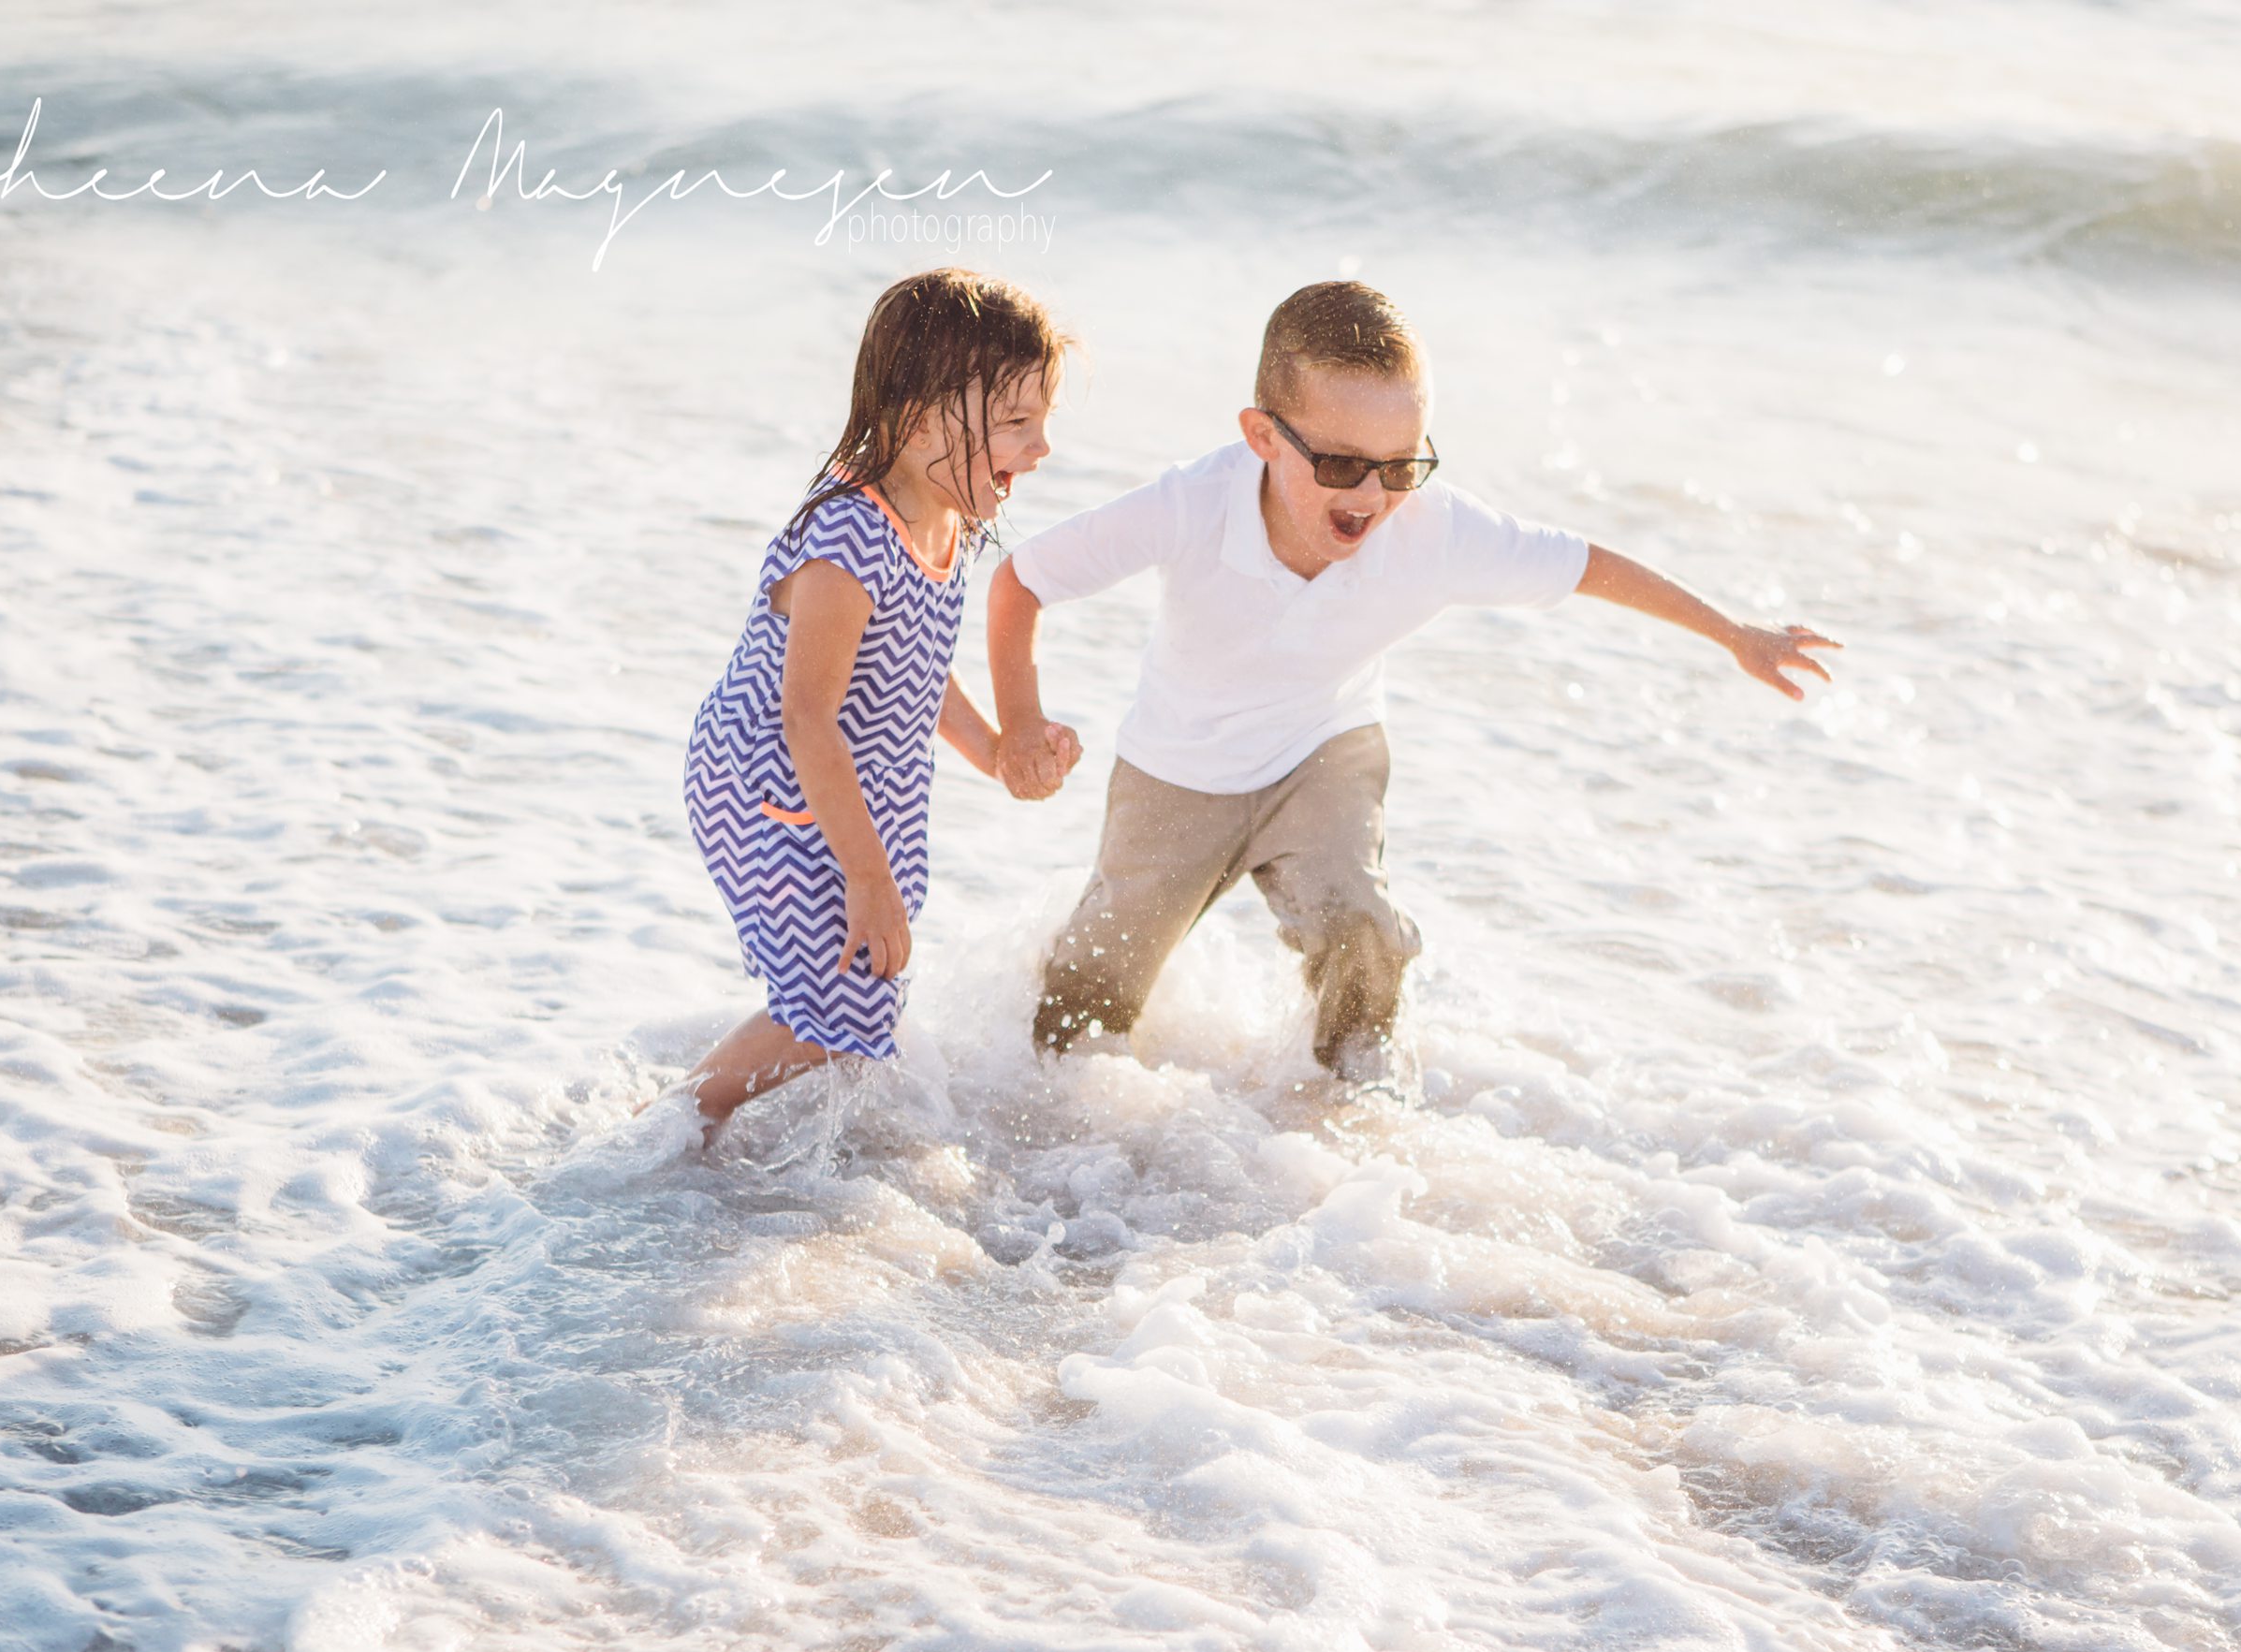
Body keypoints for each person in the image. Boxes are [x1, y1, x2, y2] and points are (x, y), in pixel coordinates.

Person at [989, 279, 1838, 1085]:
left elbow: (1586, 565)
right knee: (1083, 1007)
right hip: (1179, 767)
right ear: (1261, 437)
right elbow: (1021, 581)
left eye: (1401, 466)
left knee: (1362, 934)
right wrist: (1021, 724)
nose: (1373, 493)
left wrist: (1734, 634)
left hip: (1323, 750)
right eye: (1342, 464)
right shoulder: (1189, 505)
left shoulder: (1436, 530)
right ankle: (1066, 1155)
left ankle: (1354, 1115)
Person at [673, 269, 1081, 1135]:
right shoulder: (847, 539)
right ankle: (673, 1130)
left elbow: (915, 668)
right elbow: (806, 716)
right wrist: (867, 876)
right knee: (833, 1006)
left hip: (861, 780)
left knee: (858, 1005)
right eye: (1015, 422)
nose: (1040, 448)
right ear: (918, 416)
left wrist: (999, 753)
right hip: (770, 782)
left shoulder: (952, 517)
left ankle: (738, 1142)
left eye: (1044, 421)